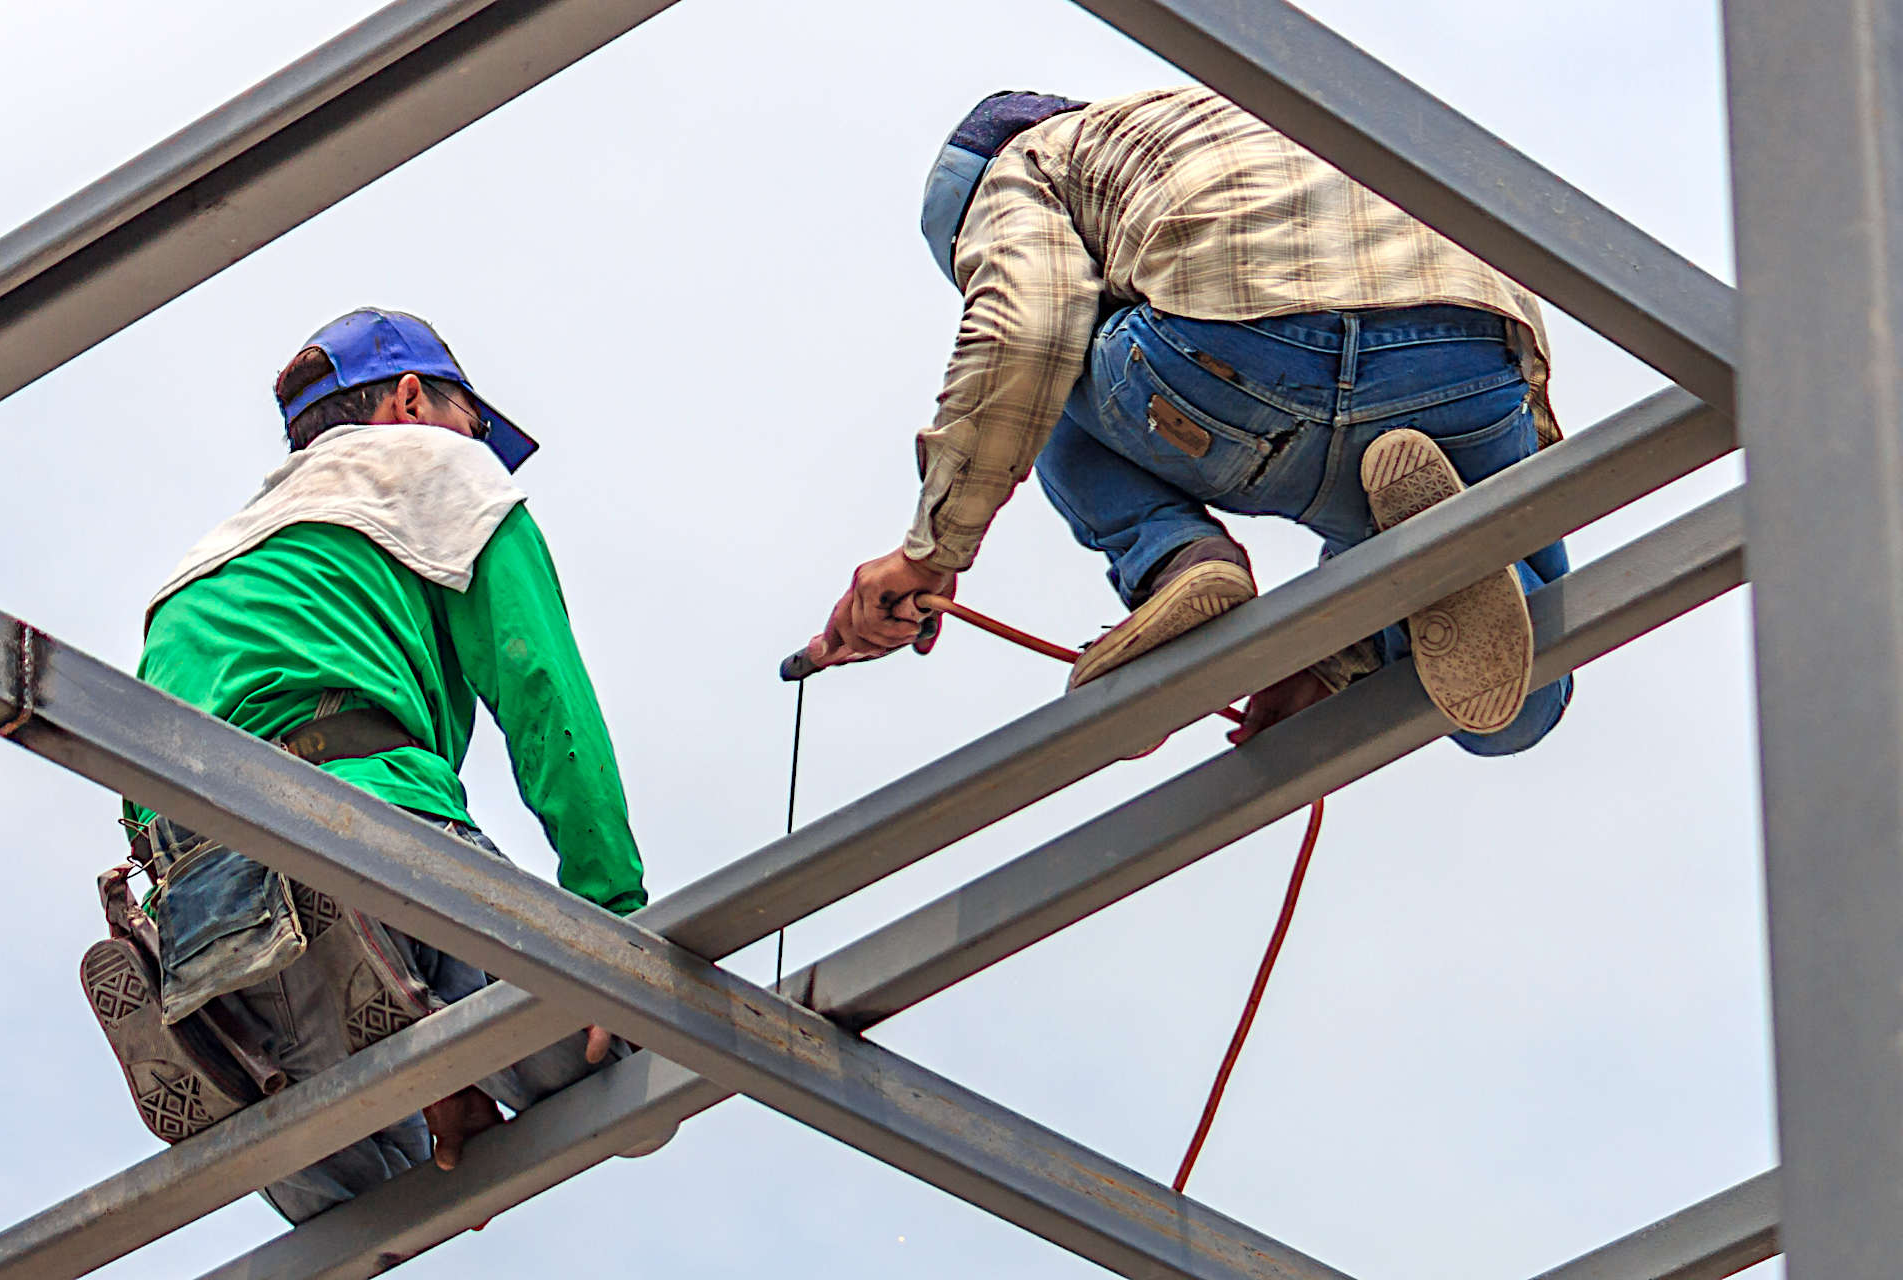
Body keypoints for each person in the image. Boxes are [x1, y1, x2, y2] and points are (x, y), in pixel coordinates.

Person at [88, 308, 652, 1222]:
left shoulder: (197, 577)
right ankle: (388, 979)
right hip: (370, 828)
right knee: (626, 1070)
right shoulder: (437, 467)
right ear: (410, 398)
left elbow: (137, 788)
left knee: (367, 1202)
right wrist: (610, 919)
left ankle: (251, 1043)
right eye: (471, 418)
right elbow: (543, 688)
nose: (480, 445)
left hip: (207, 907)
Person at [811, 87, 1573, 751]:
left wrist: (931, 553)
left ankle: (1174, 557)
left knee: (1048, 374)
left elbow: (1028, 332)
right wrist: (1321, 656)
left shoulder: (1021, 162)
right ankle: (1476, 685)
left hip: (1247, 356)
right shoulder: (1223, 115)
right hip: (1466, 367)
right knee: (1523, 659)